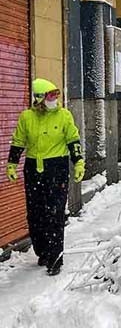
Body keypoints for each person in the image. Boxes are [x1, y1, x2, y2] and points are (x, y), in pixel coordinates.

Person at [5, 78, 85, 276]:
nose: (54, 99)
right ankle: (43, 251)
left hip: (56, 169)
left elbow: (73, 139)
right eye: (50, 95)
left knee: (55, 212)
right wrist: (12, 163)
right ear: (39, 98)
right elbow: (19, 140)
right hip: (33, 170)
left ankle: (55, 256)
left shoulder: (64, 116)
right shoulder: (27, 117)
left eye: (56, 95)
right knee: (35, 215)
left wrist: (78, 162)